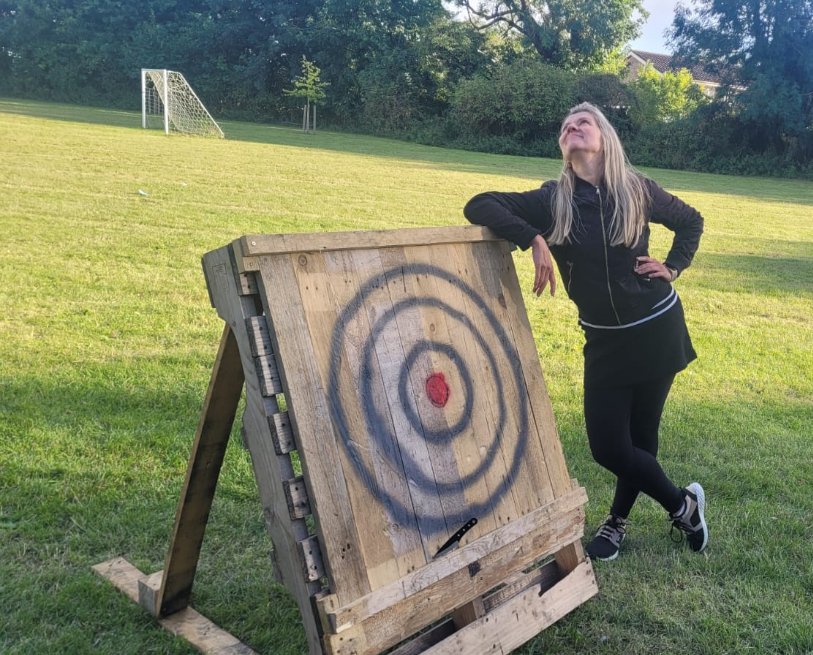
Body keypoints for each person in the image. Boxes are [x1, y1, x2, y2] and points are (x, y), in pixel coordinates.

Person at [464, 102, 708, 560]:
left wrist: (672, 267)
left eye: (583, 122)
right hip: (604, 339)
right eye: (566, 126)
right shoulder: (552, 199)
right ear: (564, 146)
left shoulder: (637, 189)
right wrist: (533, 237)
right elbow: (479, 204)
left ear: (603, 137)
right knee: (608, 446)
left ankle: (616, 522)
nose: (572, 127)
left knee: (641, 438)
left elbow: (691, 221)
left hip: (656, 327)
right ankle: (684, 504)